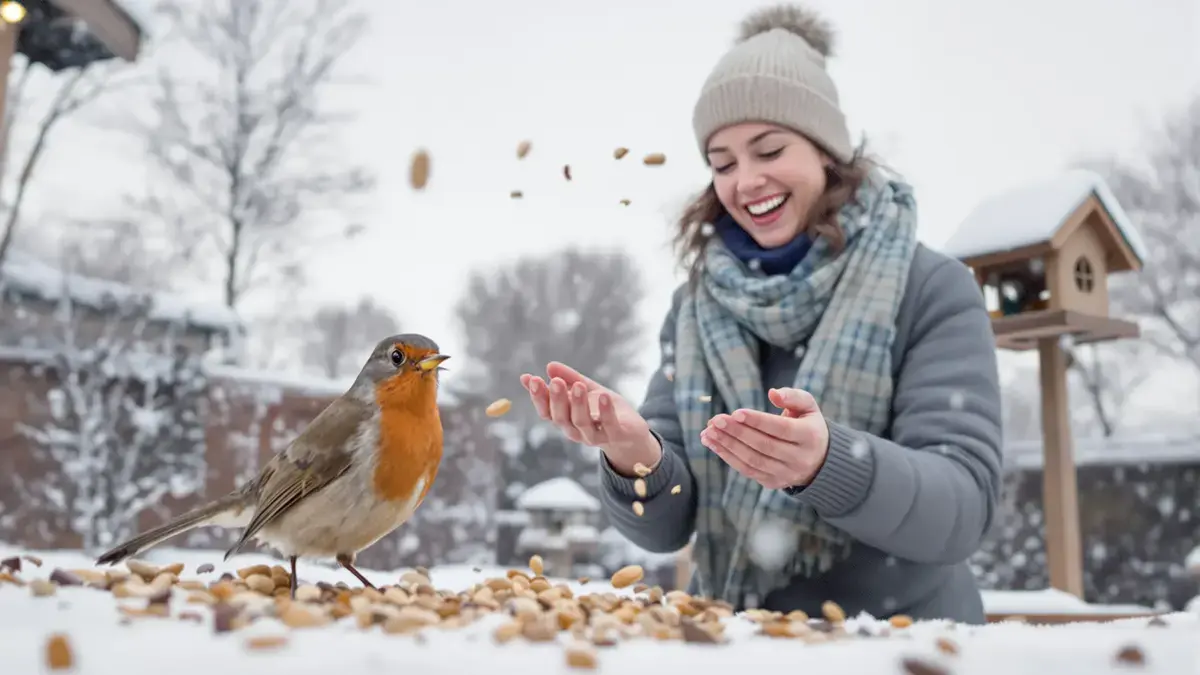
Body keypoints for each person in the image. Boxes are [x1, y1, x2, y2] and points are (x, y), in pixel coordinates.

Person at [519, 3, 1002, 624]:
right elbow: (664, 529)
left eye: (768, 149)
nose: (746, 181)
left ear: (827, 152)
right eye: (722, 163)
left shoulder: (931, 288)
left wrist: (832, 466)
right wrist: (634, 454)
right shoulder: (697, 305)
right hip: (742, 640)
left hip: (902, 647)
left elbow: (961, 510)